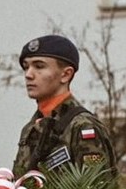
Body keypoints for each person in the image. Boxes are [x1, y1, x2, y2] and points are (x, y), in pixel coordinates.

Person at [13, 34, 114, 177]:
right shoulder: (30, 129)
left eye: (39, 66)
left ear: (65, 75)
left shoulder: (83, 126)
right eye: (26, 67)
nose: (28, 74)